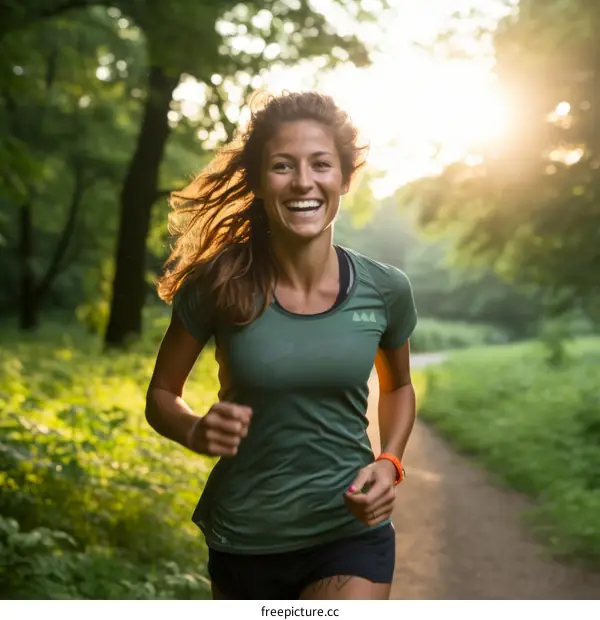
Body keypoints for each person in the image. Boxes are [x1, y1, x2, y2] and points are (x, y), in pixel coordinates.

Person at [145, 91, 418, 600]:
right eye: (282, 166)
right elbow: (161, 394)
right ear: (257, 180)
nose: (303, 182)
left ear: (343, 177)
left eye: (321, 164)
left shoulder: (386, 289)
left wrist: (390, 460)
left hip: (349, 531)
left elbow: (399, 385)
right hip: (248, 538)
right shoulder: (218, 283)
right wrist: (194, 430)